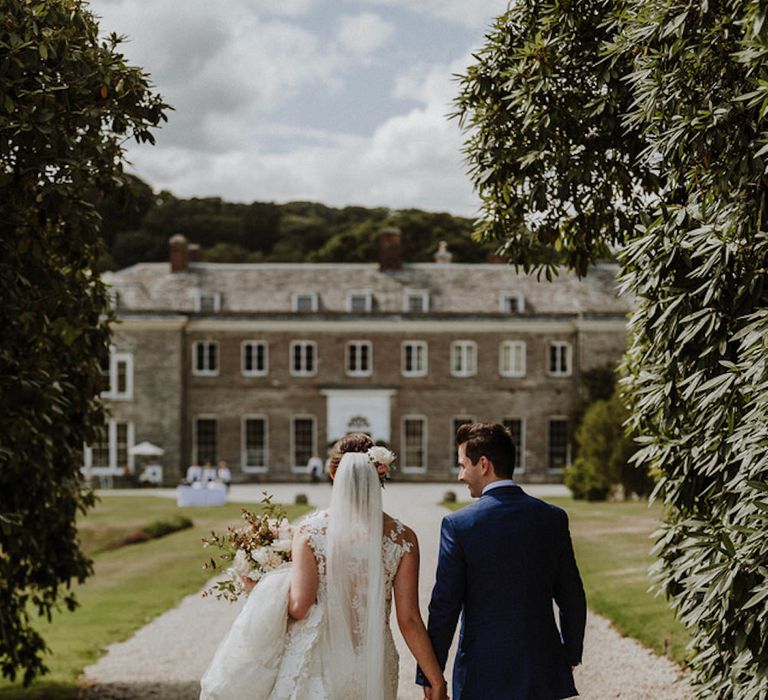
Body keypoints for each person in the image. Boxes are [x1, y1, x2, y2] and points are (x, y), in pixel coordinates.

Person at [201, 440, 449, 700]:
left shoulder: (310, 532)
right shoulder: (403, 538)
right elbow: (408, 619)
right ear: (380, 472)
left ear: (333, 475)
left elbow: (299, 607)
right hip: (373, 661)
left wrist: (263, 587)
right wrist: (435, 679)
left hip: (319, 660)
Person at [417, 422, 586, 700]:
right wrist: (568, 655)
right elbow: (572, 596)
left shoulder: (459, 525)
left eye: (462, 465)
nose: (460, 476)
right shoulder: (552, 518)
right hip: (541, 668)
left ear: (483, 464)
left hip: (482, 673)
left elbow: (444, 606)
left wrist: (432, 675)